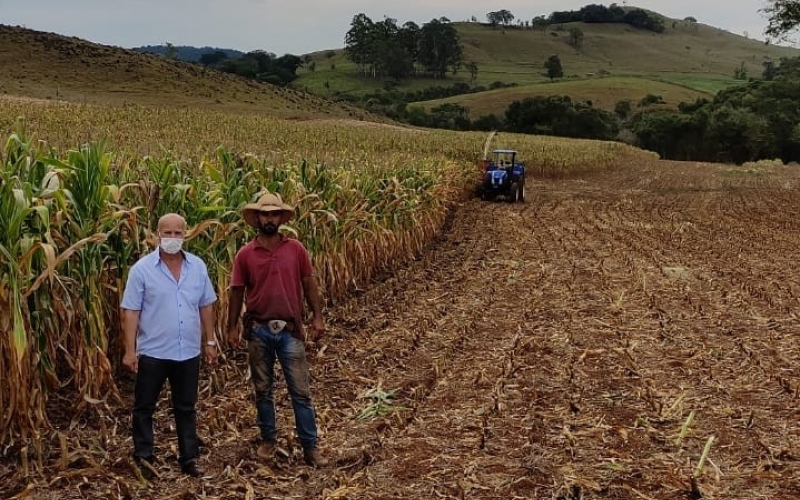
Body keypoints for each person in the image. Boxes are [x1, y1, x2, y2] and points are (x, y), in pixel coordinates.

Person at [226, 192, 329, 467]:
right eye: (264, 214)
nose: (269, 218)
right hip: (258, 330)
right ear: (257, 218)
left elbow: (309, 283)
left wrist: (317, 317)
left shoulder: (295, 249)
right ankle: (268, 440)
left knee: (301, 391)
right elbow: (236, 292)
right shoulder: (246, 254)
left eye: (274, 214)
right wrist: (232, 326)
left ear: (280, 218)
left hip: (290, 330)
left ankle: (310, 447)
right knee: (263, 390)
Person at [121, 213, 218, 478]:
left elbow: (206, 304)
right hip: (153, 351)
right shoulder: (141, 270)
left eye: (178, 233)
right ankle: (144, 458)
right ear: (156, 234)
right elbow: (131, 311)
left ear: (185, 235)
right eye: (168, 233)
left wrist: (210, 340)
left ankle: (189, 459)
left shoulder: (197, 267)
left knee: (186, 407)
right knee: (144, 407)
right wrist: (130, 350)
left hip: (187, 351)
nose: (172, 238)